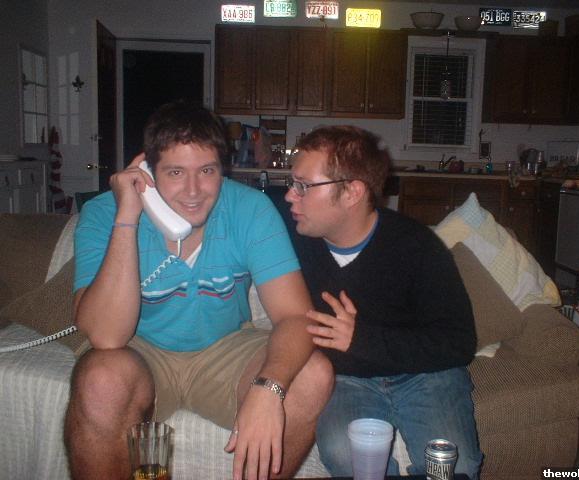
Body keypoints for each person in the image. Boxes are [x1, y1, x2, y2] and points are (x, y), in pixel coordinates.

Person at [64, 101, 333, 480]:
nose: (194, 191)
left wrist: (269, 388)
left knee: (313, 374)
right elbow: (107, 337)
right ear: (147, 171)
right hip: (140, 350)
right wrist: (128, 217)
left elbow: (294, 316)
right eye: (175, 172)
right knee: (100, 380)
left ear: (222, 168)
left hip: (225, 347)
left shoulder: (251, 209)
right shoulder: (103, 213)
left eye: (207, 171)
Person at [284, 126, 483, 478]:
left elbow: (459, 342)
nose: (289, 195)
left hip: (426, 375)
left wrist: (361, 339)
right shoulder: (294, 242)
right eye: (292, 182)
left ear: (352, 192)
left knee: (455, 466)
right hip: (347, 380)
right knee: (345, 456)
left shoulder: (417, 246)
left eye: (303, 185)